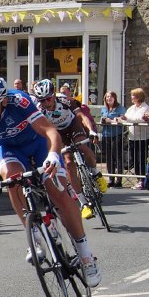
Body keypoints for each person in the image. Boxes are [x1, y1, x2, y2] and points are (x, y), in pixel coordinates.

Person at [0, 74, 101, 287]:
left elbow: (50, 131)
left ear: (3, 100)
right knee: (11, 179)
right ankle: (35, 236)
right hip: (10, 149)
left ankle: (85, 254)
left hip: (40, 143)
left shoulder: (19, 101)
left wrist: (54, 155)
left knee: (58, 190)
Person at [31, 78, 106, 219]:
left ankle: (96, 174)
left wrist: (92, 131)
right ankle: (83, 203)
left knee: (82, 146)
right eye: (42, 100)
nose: (46, 103)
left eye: (48, 99)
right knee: (68, 162)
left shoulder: (65, 101)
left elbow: (81, 116)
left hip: (72, 126)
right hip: (58, 133)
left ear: (53, 95)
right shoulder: (40, 111)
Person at [120, 88, 149, 189]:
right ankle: (138, 179)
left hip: (142, 138)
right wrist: (121, 119)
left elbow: (140, 119)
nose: (131, 97)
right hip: (132, 137)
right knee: (134, 159)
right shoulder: (132, 108)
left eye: (133, 95)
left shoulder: (145, 107)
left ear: (138, 97)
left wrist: (126, 119)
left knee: (141, 159)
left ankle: (142, 180)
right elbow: (125, 118)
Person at [99, 90, 126, 188]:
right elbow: (102, 119)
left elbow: (121, 120)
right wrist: (103, 120)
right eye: (107, 97)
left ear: (114, 98)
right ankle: (111, 179)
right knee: (109, 158)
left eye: (110, 97)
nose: (109, 98)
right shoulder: (104, 109)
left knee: (117, 157)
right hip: (106, 135)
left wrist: (110, 120)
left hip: (116, 134)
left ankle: (118, 179)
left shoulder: (120, 108)